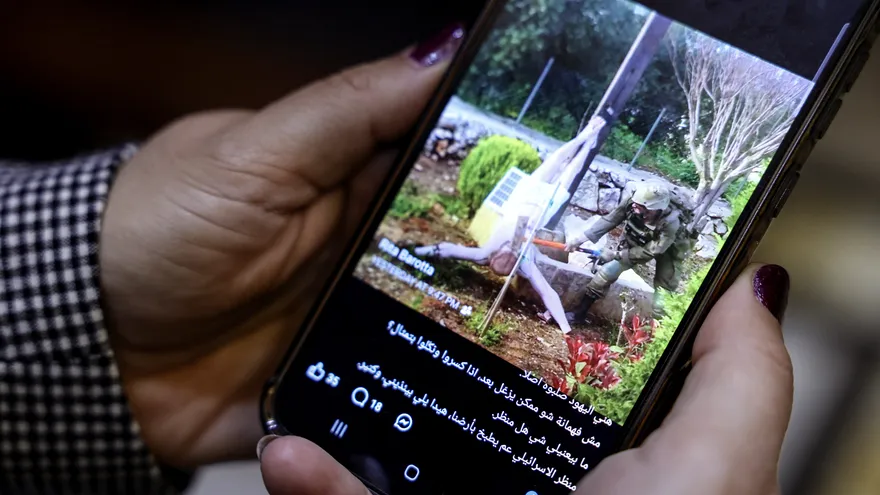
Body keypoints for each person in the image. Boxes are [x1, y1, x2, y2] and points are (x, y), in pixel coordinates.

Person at [0, 23, 793, 495]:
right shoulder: (531, 195)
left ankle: (450, 263)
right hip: (506, 238)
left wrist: (588, 149)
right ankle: (426, 252)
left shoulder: (606, 206)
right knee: (478, 254)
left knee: (531, 282)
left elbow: (567, 186)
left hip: (525, 242)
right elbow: (545, 184)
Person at [414, 115, 608, 335]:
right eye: (510, 251)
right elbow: (547, 292)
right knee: (569, 174)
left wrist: (422, 251)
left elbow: (451, 250)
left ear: (494, 254)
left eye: (506, 249)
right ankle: (588, 144)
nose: (509, 248)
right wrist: (566, 330)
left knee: (554, 161)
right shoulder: (523, 263)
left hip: (522, 200)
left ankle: (583, 136)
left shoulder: (484, 253)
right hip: (542, 209)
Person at [559, 180, 694, 323]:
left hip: (669, 249)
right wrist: (580, 239)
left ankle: (658, 332)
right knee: (606, 273)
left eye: (641, 206)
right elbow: (610, 220)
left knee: (663, 291)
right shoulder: (633, 201)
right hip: (638, 238)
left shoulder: (671, 223)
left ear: (654, 209)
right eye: (635, 203)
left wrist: (616, 255)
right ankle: (579, 314)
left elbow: (653, 251)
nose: (635, 207)